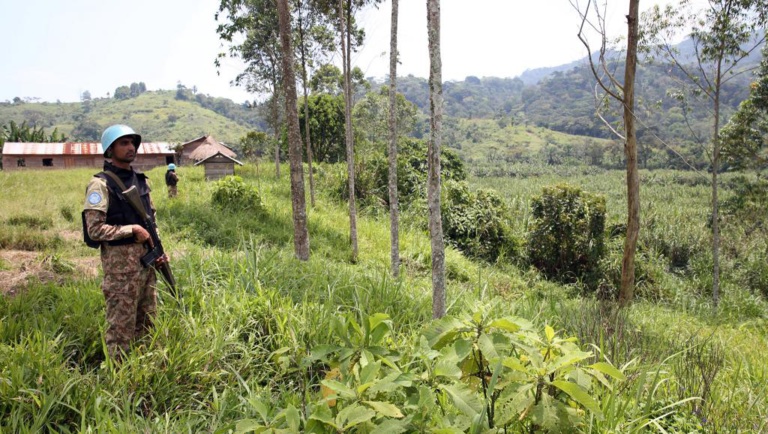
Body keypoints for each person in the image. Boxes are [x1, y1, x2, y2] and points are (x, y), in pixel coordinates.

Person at [82, 124, 168, 361]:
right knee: (120, 328)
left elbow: (151, 221)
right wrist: (132, 230)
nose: (131, 147)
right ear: (110, 149)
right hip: (121, 271)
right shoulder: (99, 185)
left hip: (146, 265)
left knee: (148, 321)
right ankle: (119, 379)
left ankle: (145, 370)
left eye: (133, 142)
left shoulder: (141, 181)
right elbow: (95, 230)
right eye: (124, 143)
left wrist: (159, 249)